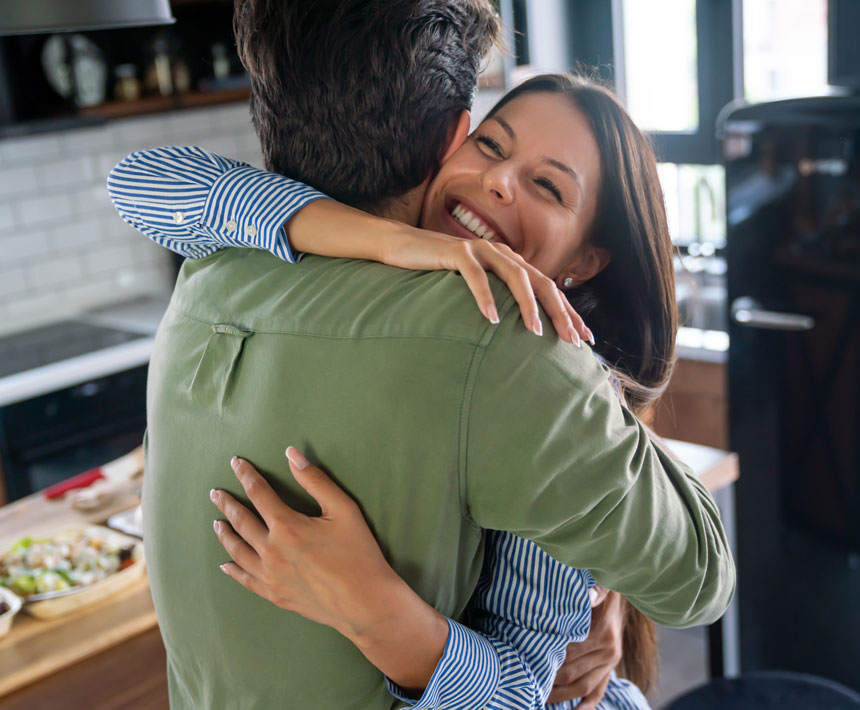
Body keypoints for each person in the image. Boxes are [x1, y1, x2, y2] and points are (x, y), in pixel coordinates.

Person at [108, 3, 733, 709]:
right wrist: (387, 240)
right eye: (492, 148)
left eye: (549, 186)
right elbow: (144, 179)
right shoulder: (284, 264)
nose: (500, 182)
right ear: (452, 144)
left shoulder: (532, 369)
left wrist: (380, 613)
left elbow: (525, 688)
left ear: (585, 261)